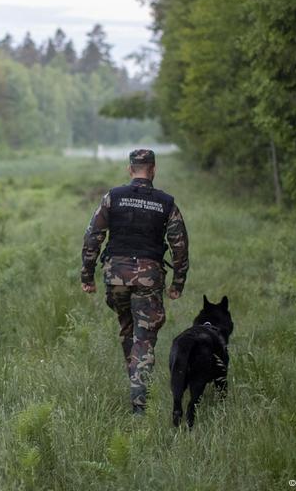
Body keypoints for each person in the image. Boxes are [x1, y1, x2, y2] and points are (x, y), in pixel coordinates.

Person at [80, 148, 189, 414]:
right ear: (153, 170)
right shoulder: (166, 203)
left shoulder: (112, 197)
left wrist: (87, 275)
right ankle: (140, 404)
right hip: (149, 279)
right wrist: (178, 283)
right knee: (144, 338)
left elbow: (93, 236)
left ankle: (135, 380)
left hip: (116, 278)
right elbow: (180, 246)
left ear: (130, 170)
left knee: (127, 329)